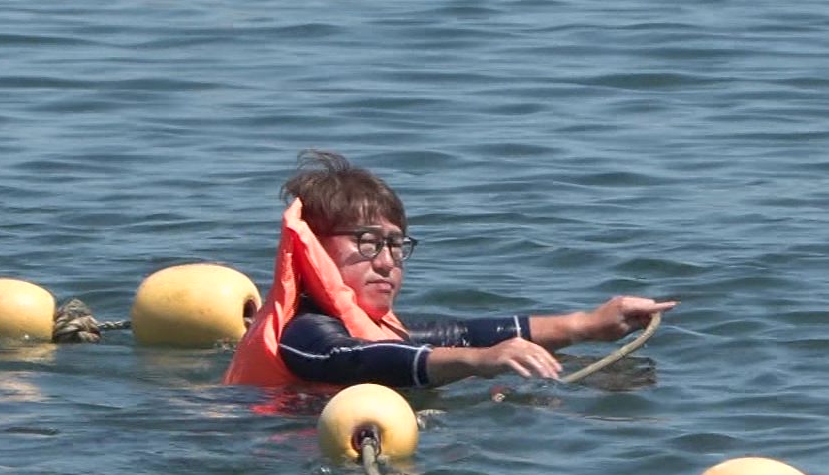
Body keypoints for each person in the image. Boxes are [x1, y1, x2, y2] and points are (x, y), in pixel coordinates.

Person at [225, 150, 674, 388]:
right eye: (367, 243)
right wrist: (479, 363)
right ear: (314, 251)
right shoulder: (302, 333)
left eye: (397, 246)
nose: (386, 262)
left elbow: (462, 332)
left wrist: (588, 324)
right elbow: (356, 360)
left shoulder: (382, 327)